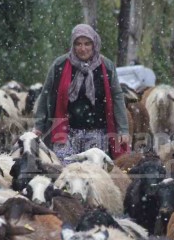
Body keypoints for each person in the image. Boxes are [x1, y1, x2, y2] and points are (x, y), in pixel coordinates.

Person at [33, 24, 130, 162]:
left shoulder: (106, 67)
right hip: (65, 132)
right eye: (78, 44)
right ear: (73, 45)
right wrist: (39, 125)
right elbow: (46, 95)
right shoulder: (60, 65)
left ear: (94, 44)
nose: (82, 48)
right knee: (65, 172)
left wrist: (123, 130)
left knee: (93, 175)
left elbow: (117, 97)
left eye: (87, 44)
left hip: (97, 132)